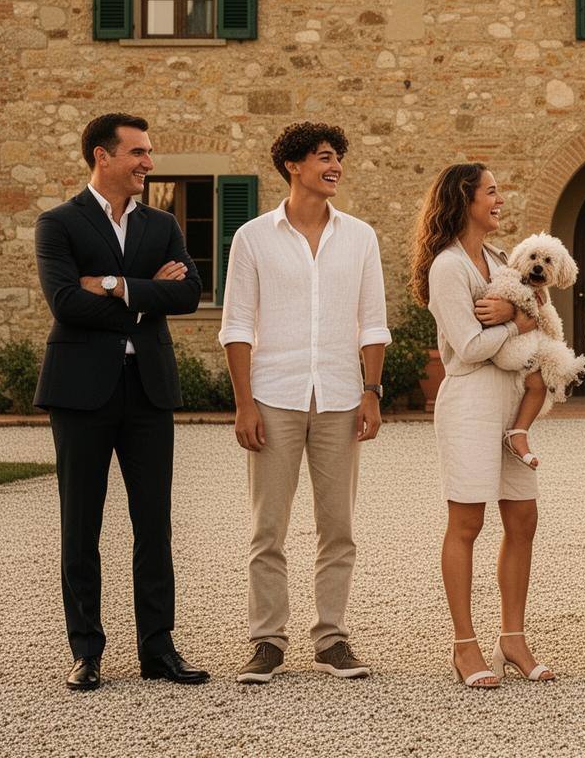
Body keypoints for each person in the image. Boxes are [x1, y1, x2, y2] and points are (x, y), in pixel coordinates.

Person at [32, 112, 208, 691]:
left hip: (149, 391)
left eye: (149, 152)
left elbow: (188, 292)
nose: (148, 163)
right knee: (79, 525)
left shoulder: (161, 223)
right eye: (137, 152)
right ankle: (86, 652)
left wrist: (112, 284)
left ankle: (158, 651)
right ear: (102, 157)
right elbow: (64, 303)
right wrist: (144, 293)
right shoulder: (57, 224)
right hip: (80, 392)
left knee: (153, 525)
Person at [220, 122, 389, 685]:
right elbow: (237, 324)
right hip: (273, 396)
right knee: (267, 528)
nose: (335, 164)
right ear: (293, 166)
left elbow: (373, 323)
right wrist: (244, 404)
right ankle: (267, 640)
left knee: (337, 526)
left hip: (342, 396)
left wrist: (372, 391)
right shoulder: (252, 237)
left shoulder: (360, 236)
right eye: (324, 156)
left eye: (338, 156)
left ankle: (331, 638)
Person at [412, 163, 556, 688]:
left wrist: (525, 318)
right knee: (467, 524)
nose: (500, 198)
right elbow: (469, 348)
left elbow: (537, 314)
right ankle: (465, 646)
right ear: (463, 199)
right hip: (470, 402)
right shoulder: (448, 268)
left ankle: (512, 639)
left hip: (513, 401)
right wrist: (519, 322)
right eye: (491, 191)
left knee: (523, 520)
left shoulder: (498, 259)